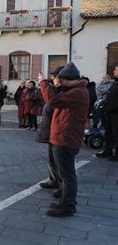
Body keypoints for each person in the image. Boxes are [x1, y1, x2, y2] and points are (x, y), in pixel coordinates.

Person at [39, 62, 89, 217]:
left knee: (67, 175)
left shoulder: (78, 93)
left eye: (60, 80)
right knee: (64, 173)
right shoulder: (76, 90)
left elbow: (54, 101)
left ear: (67, 80)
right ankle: (64, 200)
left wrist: (43, 82)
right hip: (62, 137)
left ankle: (68, 206)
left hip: (65, 138)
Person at [37, 66, 64, 191]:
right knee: (52, 158)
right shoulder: (56, 89)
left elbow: (52, 100)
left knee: (60, 161)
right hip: (51, 131)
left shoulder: (63, 92)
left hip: (59, 132)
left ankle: (62, 186)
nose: (52, 79)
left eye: (54, 77)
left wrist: (43, 82)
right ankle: (53, 180)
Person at [96, 66, 118, 161]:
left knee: (116, 133)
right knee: (108, 131)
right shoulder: (115, 83)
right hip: (109, 111)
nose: (114, 71)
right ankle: (108, 150)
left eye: (116, 69)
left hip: (116, 112)